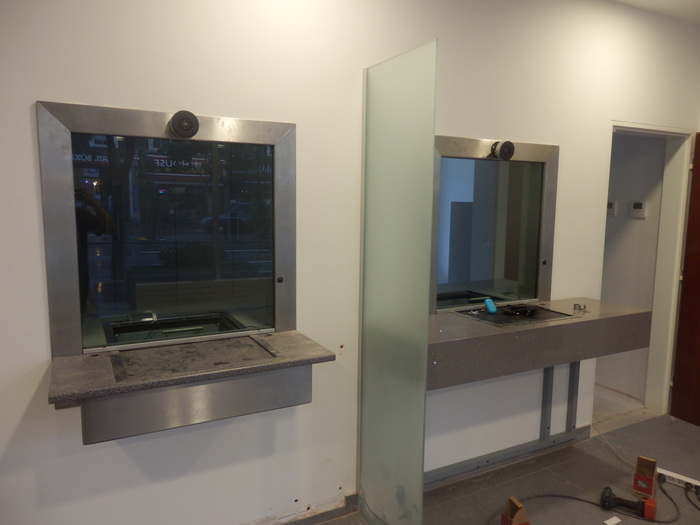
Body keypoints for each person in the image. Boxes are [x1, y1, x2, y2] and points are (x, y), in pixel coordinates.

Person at [75, 187, 114, 314]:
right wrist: (93, 203)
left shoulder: (78, 215)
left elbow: (109, 228)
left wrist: (93, 203)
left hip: (80, 281)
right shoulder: (77, 214)